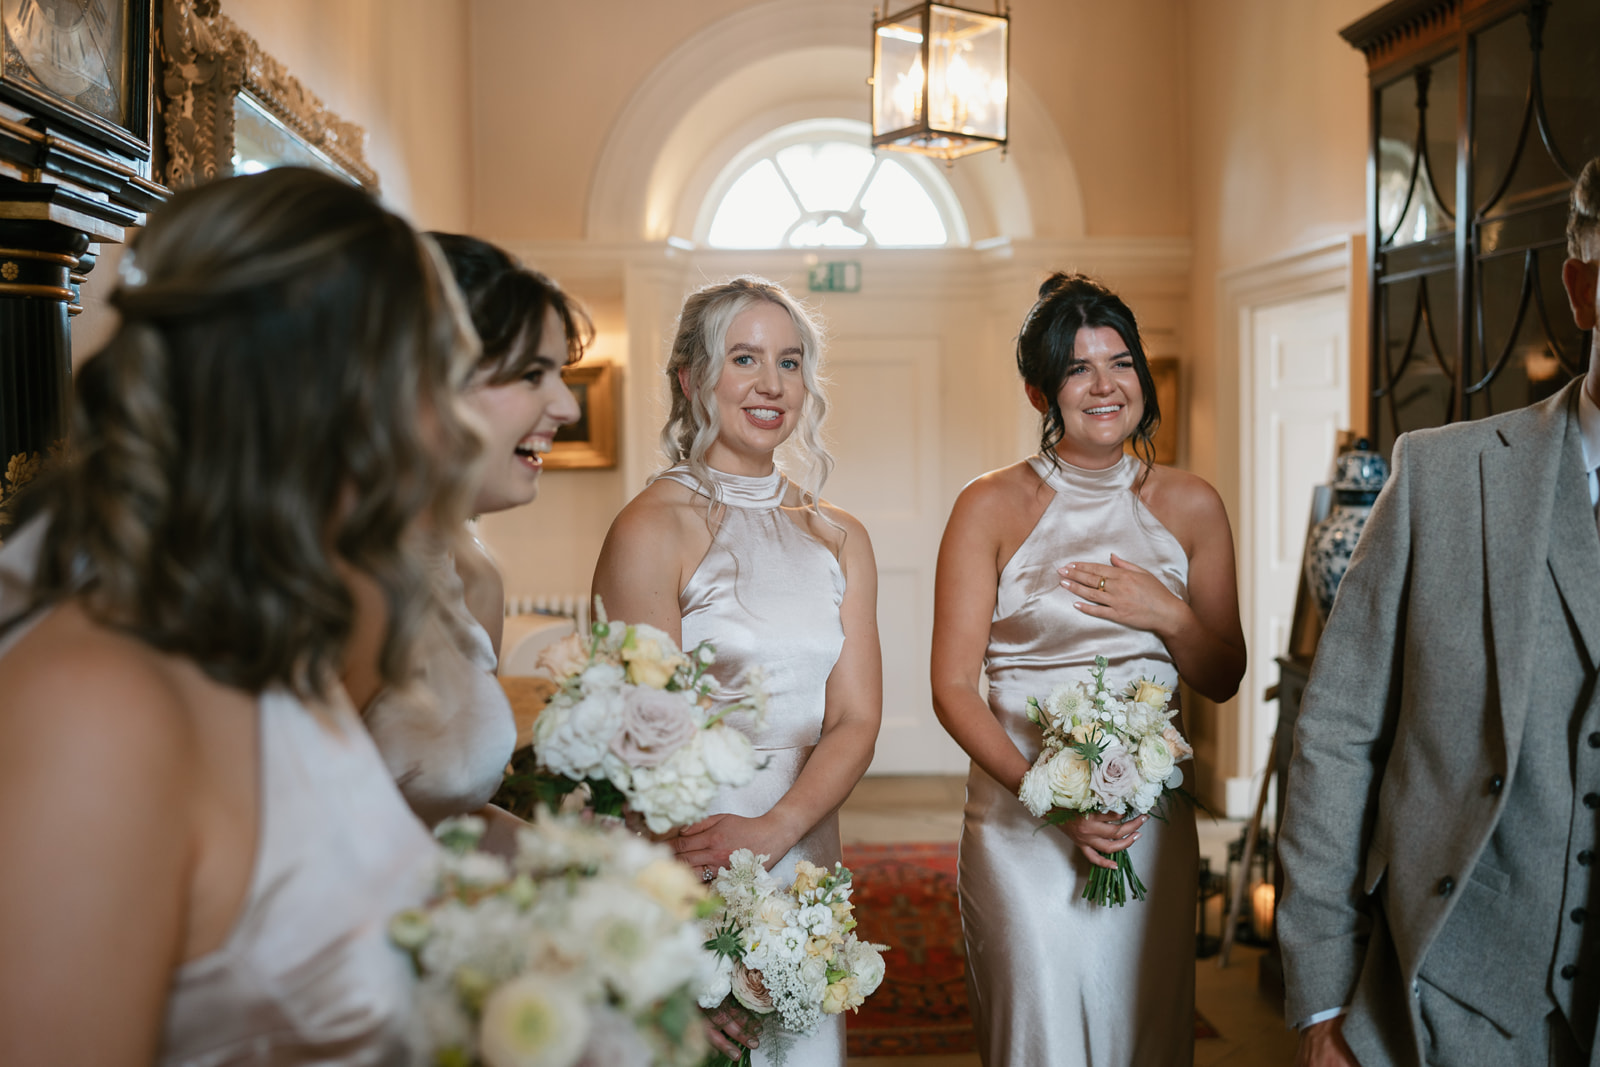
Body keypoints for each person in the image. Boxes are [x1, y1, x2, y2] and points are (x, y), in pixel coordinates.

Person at [0, 167, 481, 1063]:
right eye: (430, 383)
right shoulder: (95, 708)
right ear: (326, 399)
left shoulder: (282, 657)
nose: (457, 435)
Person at [1277, 161, 1600, 1067]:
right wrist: (1321, 997)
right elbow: (1336, 733)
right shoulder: (1441, 477)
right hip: (1442, 1002)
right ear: (1582, 286)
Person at [931, 272, 1245, 1066]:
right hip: (1021, 825)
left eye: (1121, 363)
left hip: (1147, 826)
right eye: (1078, 369)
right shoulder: (989, 506)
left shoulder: (1194, 505)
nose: (1105, 385)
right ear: (1041, 394)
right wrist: (1052, 798)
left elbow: (1223, 672)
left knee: (1143, 1028)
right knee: (1037, 1033)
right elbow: (950, 687)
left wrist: (1166, 611)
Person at [591, 275, 883, 1066]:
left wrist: (780, 830)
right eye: (744, 358)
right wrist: (685, 928)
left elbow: (855, 718)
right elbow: (639, 747)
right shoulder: (652, 528)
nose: (771, 384)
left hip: (803, 843)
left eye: (789, 362)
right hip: (692, 851)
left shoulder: (838, 536)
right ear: (693, 378)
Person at [361, 233, 586, 830]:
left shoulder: (472, 575)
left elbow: (453, 822)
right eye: (533, 375)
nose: (568, 407)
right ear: (425, 382)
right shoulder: (345, 587)